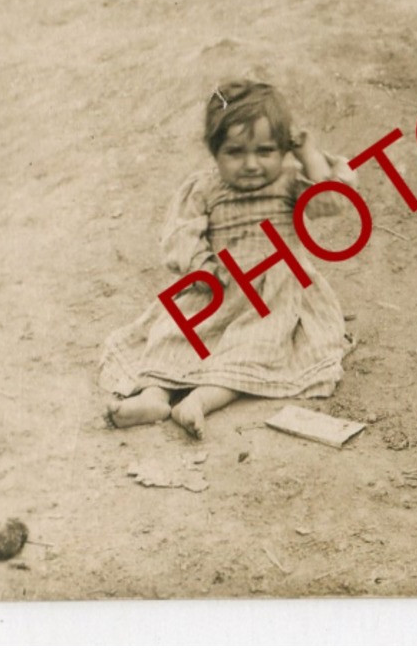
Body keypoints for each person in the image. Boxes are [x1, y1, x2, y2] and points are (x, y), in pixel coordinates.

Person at [100, 78, 356, 439]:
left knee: (254, 346)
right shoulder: (205, 187)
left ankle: (200, 402)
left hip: (271, 294)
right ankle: (154, 396)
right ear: (214, 151)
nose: (251, 164)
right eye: (235, 153)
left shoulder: (287, 182)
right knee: (172, 333)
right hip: (215, 283)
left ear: (282, 150)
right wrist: (200, 265)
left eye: (265, 151)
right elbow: (182, 232)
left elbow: (331, 200)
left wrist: (309, 155)